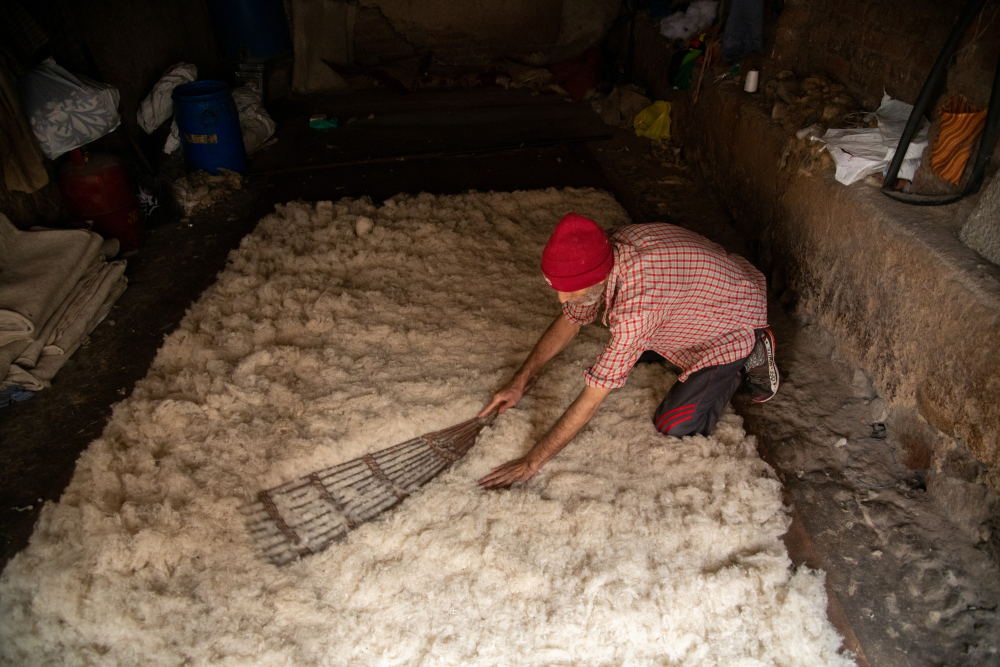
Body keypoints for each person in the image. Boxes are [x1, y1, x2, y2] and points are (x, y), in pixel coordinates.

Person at [477, 213, 778, 490]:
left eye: (571, 290)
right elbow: (572, 317)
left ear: (598, 277)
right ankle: (697, 343)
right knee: (626, 349)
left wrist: (532, 462)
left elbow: (593, 397)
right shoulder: (602, 250)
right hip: (697, 300)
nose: (561, 298)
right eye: (558, 287)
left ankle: (750, 352)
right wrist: (521, 379)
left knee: (675, 425)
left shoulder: (637, 308)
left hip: (733, 320)